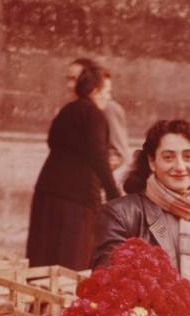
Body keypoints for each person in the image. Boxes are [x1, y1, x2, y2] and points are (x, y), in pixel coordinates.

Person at [92, 119, 190, 301]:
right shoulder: (120, 214)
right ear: (152, 162)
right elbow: (109, 278)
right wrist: (172, 297)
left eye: (188, 156)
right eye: (168, 157)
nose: (180, 167)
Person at [26, 63, 120, 270]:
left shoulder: (67, 110)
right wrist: (115, 194)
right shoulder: (94, 114)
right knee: (71, 261)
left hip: (48, 193)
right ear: (95, 90)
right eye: (107, 92)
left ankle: (40, 302)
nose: (108, 97)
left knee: (43, 256)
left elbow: (52, 142)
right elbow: (98, 156)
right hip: (76, 201)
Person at [67, 57, 130, 177]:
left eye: (75, 79)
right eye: (68, 79)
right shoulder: (74, 109)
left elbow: (118, 154)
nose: (69, 85)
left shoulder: (108, 108)